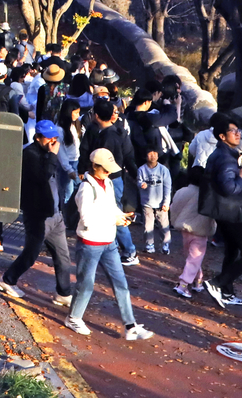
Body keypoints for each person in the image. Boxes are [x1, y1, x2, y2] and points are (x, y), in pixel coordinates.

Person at [64, 148, 153, 341]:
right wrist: (114, 221)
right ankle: (73, 318)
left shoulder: (108, 182)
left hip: (108, 241)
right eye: (105, 169)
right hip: (90, 242)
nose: (108, 172)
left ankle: (130, 325)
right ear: (94, 166)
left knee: (120, 282)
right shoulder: (86, 188)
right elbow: (87, 219)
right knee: (86, 283)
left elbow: (111, 207)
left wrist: (121, 216)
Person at [0, 121, 72, 305]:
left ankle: (64, 292)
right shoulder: (30, 154)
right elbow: (42, 177)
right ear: (38, 137)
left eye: (54, 138)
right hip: (38, 214)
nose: (52, 141)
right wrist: (53, 156)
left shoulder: (48, 152)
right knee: (31, 253)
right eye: (48, 138)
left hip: (55, 213)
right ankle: (8, 280)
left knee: (63, 256)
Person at [203, 114, 242, 309]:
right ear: (222, 136)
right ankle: (216, 283)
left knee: (232, 251)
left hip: (226, 211)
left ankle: (226, 291)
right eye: (233, 131)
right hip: (233, 213)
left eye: (238, 130)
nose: (238, 134)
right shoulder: (226, 158)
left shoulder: (224, 155)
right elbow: (229, 188)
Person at [77, 97, 139, 265]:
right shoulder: (118, 132)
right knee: (113, 213)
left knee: (114, 215)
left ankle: (129, 250)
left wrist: (83, 170)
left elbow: (87, 153)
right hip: (116, 178)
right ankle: (116, 248)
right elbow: (128, 156)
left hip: (108, 180)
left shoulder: (103, 134)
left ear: (96, 115)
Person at [169, 165, 215, 299]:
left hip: (184, 229)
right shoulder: (205, 194)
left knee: (191, 258)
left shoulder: (182, 191)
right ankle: (183, 285)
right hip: (199, 230)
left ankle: (198, 280)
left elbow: (174, 207)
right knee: (194, 258)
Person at [137, 148, 173, 255]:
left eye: (155, 153)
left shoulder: (163, 170)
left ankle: (165, 245)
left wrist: (166, 203)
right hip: (147, 202)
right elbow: (139, 181)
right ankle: (149, 245)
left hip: (161, 202)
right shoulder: (142, 169)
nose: (152, 156)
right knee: (148, 225)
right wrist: (141, 184)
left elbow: (167, 187)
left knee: (164, 225)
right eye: (150, 153)